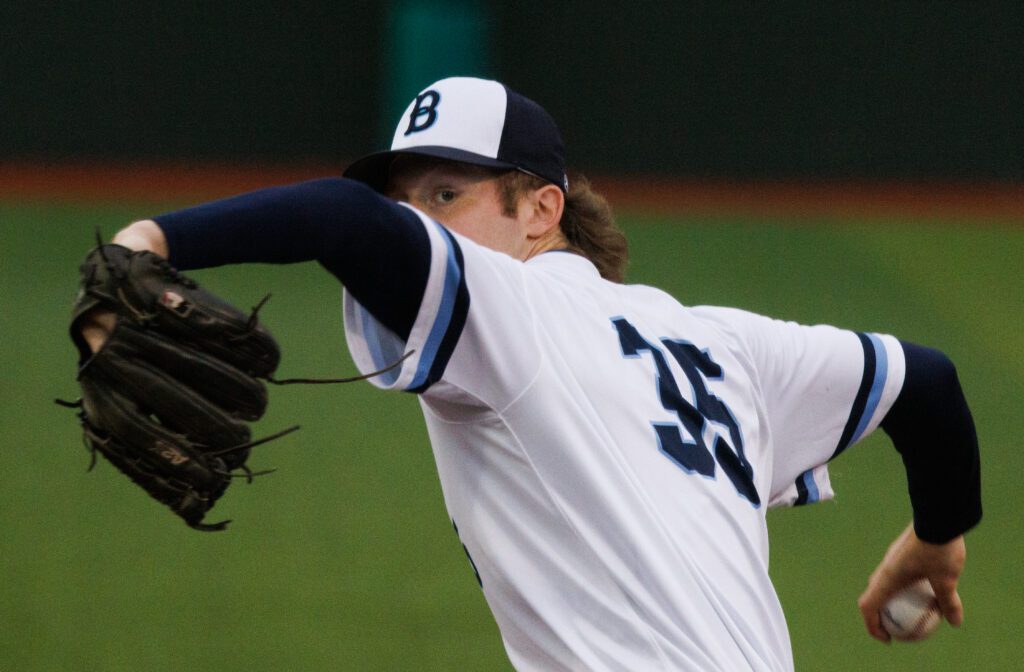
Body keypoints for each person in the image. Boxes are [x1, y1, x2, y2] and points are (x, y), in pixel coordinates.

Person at [81, 77, 981, 671]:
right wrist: (937, 536)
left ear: (541, 210)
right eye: (409, 201)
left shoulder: (513, 307)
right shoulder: (722, 342)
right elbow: (926, 383)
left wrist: (147, 242)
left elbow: (338, 217)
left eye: (445, 195)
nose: (417, 224)